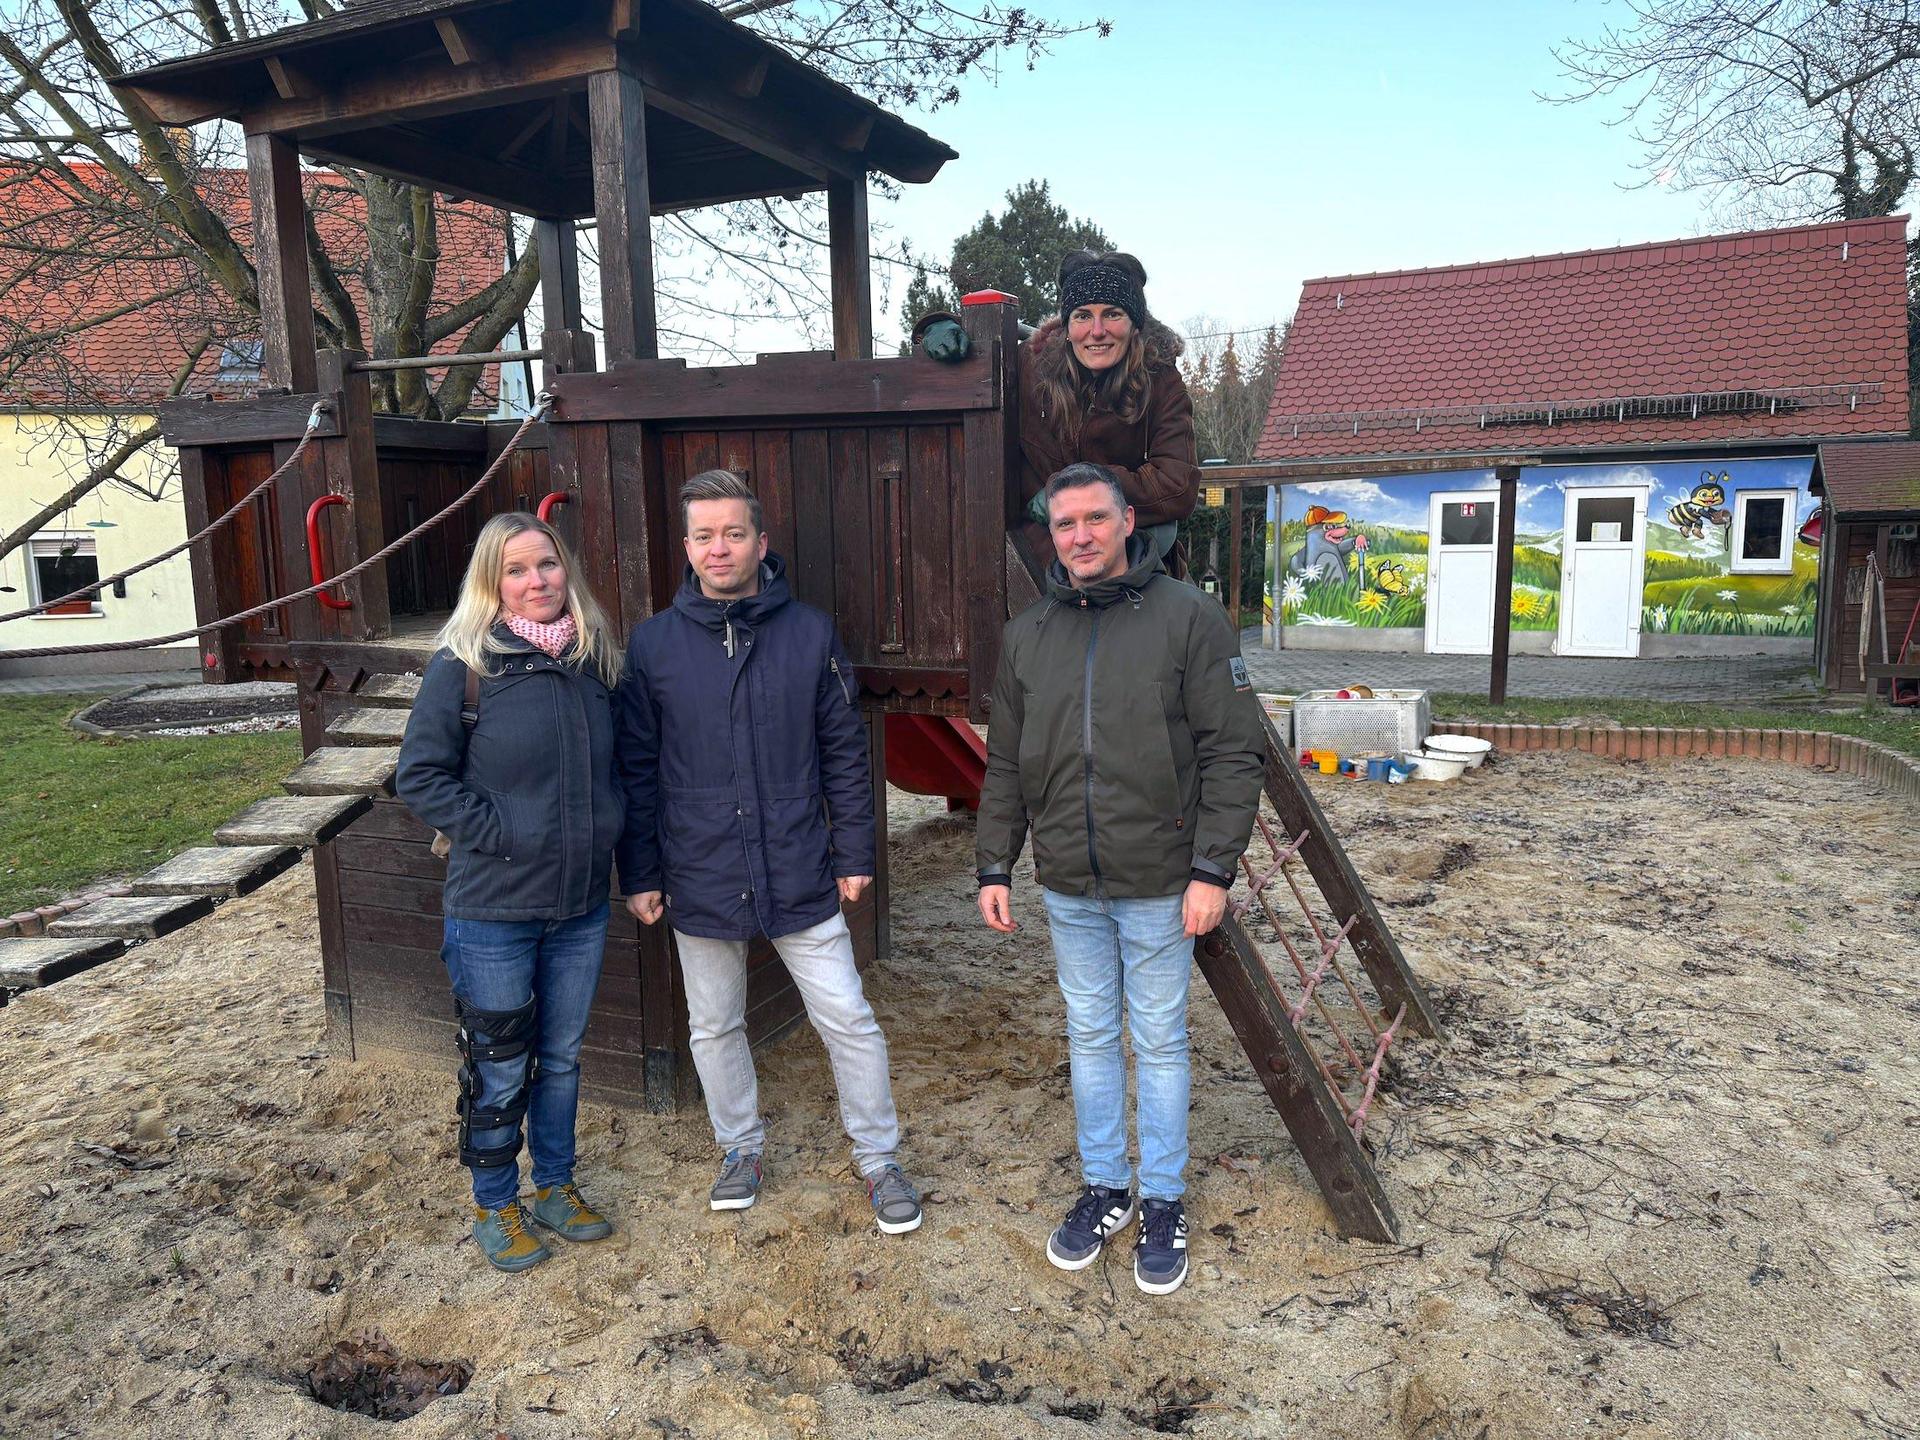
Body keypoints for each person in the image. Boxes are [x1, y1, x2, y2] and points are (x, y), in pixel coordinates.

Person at [975, 461, 1266, 1295]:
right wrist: (996, 860)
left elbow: (1231, 752)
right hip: (1069, 880)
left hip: (1161, 881)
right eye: (1065, 525)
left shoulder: (1189, 618)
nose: (1080, 537)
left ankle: (1165, 1199)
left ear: (1127, 519)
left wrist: (1213, 868)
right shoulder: (1028, 633)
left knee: (1162, 1040)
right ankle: (1107, 1186)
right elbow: (1005, 762)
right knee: (1092, 1035)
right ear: (1052, 536)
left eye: (1095, 519)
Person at [615, 470, 922, 1236]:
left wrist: (854, 851)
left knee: (848, 1017)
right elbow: (637, 770)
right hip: (699, 867)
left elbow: (844, 753)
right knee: (714, 1025)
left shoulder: (809, 633)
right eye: (704, 535)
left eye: (734, 533)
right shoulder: (652, 646)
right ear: (686, 547)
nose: (720, 548)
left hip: (797, 863)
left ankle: (880, 1158)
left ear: (761, 540)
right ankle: (740, 1148)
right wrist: (641, 870)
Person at [395, 512, 627, 1272]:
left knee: (559, 1058)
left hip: (579, 908)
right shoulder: (464, 665)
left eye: (548, 567)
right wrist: (502, 832)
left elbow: (615, 773)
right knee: (498, 1062)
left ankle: (555, 1185)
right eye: (518, 570)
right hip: (493, 908)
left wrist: (607, 831)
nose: (537, 582)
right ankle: (496, 1203)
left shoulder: (594, 664)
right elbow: (420, 777)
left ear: (568, 573)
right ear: (493, 582)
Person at [1019, 251, 1200, 568]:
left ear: (1135, 325)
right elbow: (979, 354)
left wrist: (1066, 492)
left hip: (1131, 563)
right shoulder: (1030, 367)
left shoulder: (1160, 380)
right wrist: (935, 325)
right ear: (1067, 325)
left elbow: (1176, 484)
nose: (1097, 330)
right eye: (1083, 315)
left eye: (1113, 314)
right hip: (1040, 562)